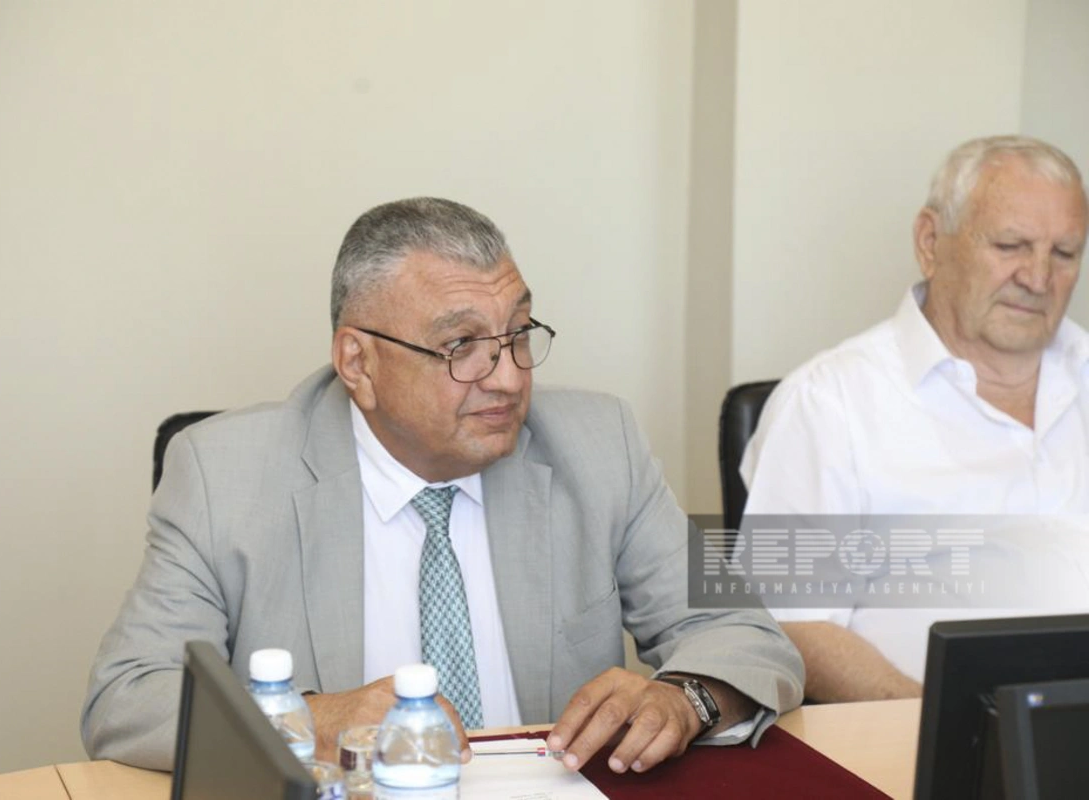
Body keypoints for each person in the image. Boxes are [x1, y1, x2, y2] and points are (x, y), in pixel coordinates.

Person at [82, 197, 803, 773]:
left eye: (518, 334)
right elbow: (127, 699)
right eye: (462, 346)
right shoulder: (223, 473)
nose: (510, 377)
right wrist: (315, 720)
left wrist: (685, 699)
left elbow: (743, 634)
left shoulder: (599, 443)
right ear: (357, 363)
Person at [740, 135, 1089, 702]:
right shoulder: (829, 403)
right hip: (921, 734)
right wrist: (944, 727)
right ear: (931, 242)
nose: (1037, 278)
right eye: (1011, 245)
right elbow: (792, 626)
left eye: (1065, 253)